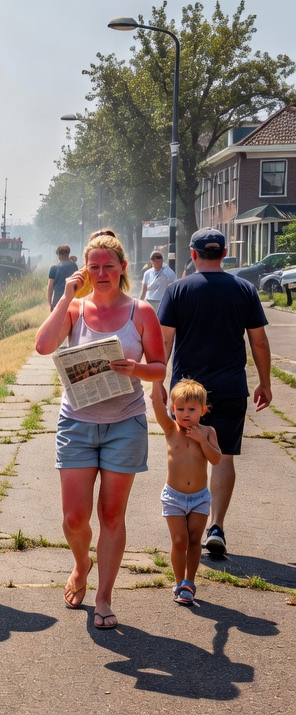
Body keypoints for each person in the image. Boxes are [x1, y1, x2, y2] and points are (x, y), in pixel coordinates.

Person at [34, 229, 167, 630]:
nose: (101, 272)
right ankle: (81, 564)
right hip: (76, 421)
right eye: (94, 267)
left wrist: (137, 369)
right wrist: (65, 298)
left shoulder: (141, 312)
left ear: (124, 268)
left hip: (124, 423)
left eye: (109, 266)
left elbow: (160, 367)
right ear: (84, 271)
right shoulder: (74, 310)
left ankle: (105, 596)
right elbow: (43, 346)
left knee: (111, 514)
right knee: (75, 518)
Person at [158, 228, 271, 557]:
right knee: (222, 456)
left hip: (187, 393)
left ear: (193, 255)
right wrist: (265, 383)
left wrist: (158, 383)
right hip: (230, 387)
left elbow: (165, 341)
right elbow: (259, 341)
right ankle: (216, 526)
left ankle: (187, 521)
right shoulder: (244, 290)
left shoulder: (178, 290)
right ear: (224, 255)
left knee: (190, 452)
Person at [150, 378, 222, 606]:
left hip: (200, 498)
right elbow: (156, 406)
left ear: (203, 410)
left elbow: (216, 459)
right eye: (180, 409)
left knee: (194, 541)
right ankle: (179, 581)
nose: (186, 414)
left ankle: (190, 582)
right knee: (179, 540)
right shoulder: (171, 429)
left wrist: (202, 440)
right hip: (174, 497)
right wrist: (155, 380)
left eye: (192, 409)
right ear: (173, 409)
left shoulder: (208, 431)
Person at [47, 245, 79, 309]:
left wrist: (50, 302)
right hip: (72, 299)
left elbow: (50, 286)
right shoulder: (74, 266)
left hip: (57, 300)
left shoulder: (54, 267)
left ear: (58, 255)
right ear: (68, 253)